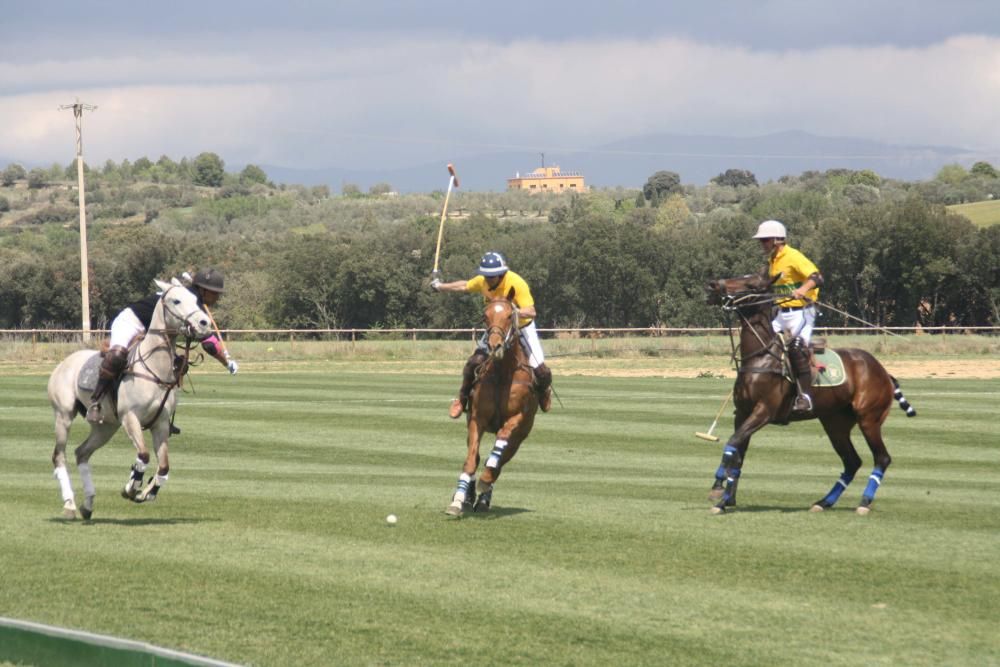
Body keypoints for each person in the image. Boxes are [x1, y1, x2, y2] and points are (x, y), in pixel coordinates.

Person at [86, 267, 238, 427]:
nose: (217, 297)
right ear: (203, 290)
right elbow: (208, 343)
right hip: (131, 321)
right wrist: (226, 362)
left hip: (154, 332)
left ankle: (163, 414)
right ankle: (96, 402)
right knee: (116, 357)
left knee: (179, 365)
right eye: (215, 293)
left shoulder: (190, 299)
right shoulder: (191, 303)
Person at [431, 251, 552, 418]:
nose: (488, 279)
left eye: (492, 276)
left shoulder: (516, 283)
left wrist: (513, 312)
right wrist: (440, 286)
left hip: (522, 326)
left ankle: (544, 391)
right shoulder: (483, 281)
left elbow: (531, 311)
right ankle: (462, 399)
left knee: (542, 371)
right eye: (486, 275)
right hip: (497, 328)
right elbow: (464, 286)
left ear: (501, 273)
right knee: (474, 363)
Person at [753, 219, 823, 414]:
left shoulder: (793, 256)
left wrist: (802, 289)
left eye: (764, 240)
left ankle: (805, 397)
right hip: (781, 314)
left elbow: (817, 277)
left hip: (802, 312)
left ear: (777, 240)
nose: (762, 244)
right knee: (760, 342)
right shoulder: (772, 261)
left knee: (796, 347)